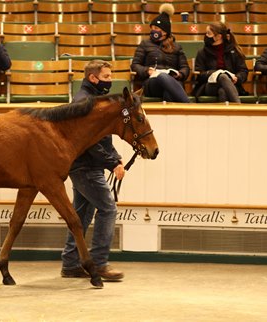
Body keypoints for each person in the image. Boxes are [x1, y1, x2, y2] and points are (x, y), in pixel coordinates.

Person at [61, 60, 125, 281]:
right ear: (93, 78)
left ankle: (70, 263)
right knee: (108, 209)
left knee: (80, 215)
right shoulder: (85, 103)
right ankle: (98, 264)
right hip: (86, 167)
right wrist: (112, 162)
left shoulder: (91, 100)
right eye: (107, 77)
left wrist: (114, 158)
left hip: (82, 166)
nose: (111, 81)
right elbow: (90, 142)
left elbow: (102, 135)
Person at [131, 4, 190, 103]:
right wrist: (147, 70)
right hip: (152, 82)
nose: (154, 31)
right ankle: (188, 105)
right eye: (152, 28)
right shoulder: (145, 44)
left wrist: (180, 74)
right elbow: (135, 65)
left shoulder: (176, 47)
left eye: (157, 28)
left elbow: (185, 68)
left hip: (173, 81)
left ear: (165, 32)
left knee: (169, 92)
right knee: (162, 77)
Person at [192, 22, 248, 103]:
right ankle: (239, 107)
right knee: (222, 76)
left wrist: (237, 78)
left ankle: (226, 114)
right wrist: (215, 74)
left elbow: (243, 71)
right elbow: (200, 74)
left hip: (232, 84)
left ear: (218, 36)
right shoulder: (202, 52)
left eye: (209, 33)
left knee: (223, 91)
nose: (206, 36)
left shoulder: (233, 51)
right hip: (210, 85)